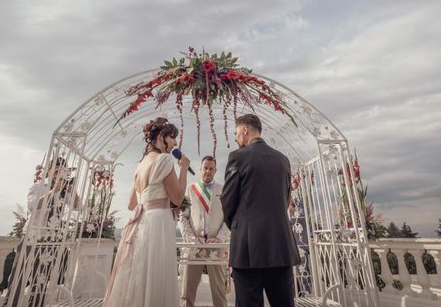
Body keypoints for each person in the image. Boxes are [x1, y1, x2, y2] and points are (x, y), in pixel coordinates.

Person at [103, 117, 190, 307]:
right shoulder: (164, 159)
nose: (175, 143)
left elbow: (131, 204)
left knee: (140, 274)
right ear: (161, 137)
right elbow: (176, 198)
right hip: (158, 222)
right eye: (172, 137)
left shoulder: (140, 164)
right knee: (156, 272)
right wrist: (183, 169)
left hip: (142, 222)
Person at [221, 114, 301, 307]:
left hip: (248, 249)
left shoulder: (237, 157)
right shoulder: (283, 160)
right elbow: (286, 198)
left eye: (236, 133)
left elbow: (227, 201)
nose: (236, 138)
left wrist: (239, 227)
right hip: (280, 246)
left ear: (245, 130)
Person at [4, 157, 80, 307]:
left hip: (50, 241)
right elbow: (32, 206)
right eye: (56, 168)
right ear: (48, 170)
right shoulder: (38, 186)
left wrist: (73, 191)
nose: (58, 172)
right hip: (32, 237)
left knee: (41, 280)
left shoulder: (65, 192)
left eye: (62, 169)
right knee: (19, 276)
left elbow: (78, 207)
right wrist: (53, 191)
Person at [179, 155, 230, 307]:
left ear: (215, 170)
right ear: (201, 169)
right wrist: (191, 239)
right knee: (187, 293)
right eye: (205, 168)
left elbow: (229, 218)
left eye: (211, 168)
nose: (207, 171)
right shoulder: (189, 189)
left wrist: (220, 238)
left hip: (216, 246)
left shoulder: (224, 190)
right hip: (194, 246)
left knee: (220, 294)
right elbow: (182, 217)